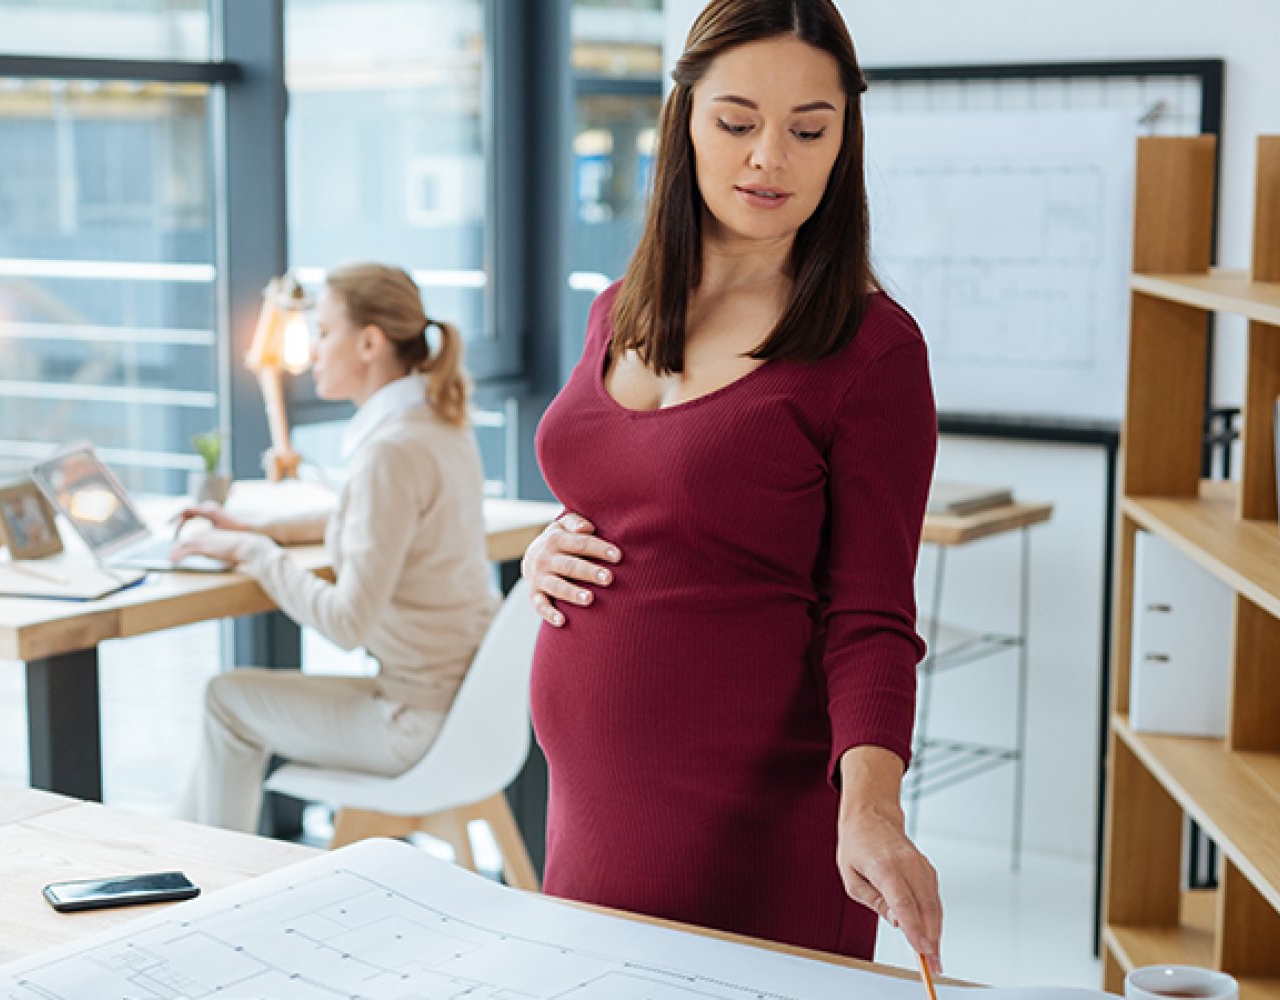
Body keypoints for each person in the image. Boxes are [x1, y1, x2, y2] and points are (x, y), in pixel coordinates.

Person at [522, 0, 944, 972]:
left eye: (809, 129)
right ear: (684, 119)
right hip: (587, 809)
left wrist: (872, 807)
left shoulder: (871, 350)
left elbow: (872, 614)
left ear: (844, 137)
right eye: (738, 121)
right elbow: (647, 490)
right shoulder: (614, 311)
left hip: (752, 825)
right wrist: (552, 541)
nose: (771, 159)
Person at [170, 262, 498, 834]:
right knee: (230, 705)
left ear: (369, 342)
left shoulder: (389, 451)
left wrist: (254, 555)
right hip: (464, 710)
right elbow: (372, 518)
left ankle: (213, 883)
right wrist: (255, 529)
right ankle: (177, 866)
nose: (312, 351)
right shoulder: (437, 423)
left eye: (323, 332)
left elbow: (347, 623)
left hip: (412, 721)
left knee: (226, 699)